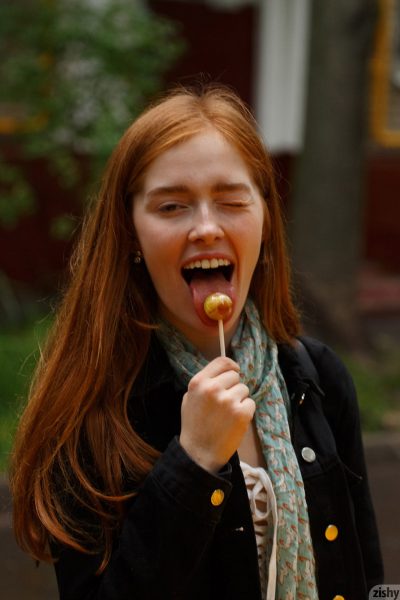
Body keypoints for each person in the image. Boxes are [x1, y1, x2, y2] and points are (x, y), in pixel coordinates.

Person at [11, 84, 383, 600]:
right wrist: (193, 461)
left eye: (231, 201)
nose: (206, 228)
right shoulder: (93, 411)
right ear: (131, 233)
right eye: (171, 206)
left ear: (265, 221)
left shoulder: (318, 379)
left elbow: (367, 575)